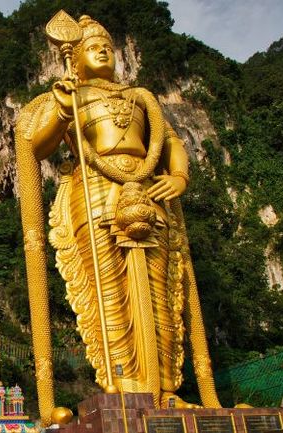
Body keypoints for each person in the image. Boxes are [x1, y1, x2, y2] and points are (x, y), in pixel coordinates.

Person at [15, 14, 220, 411]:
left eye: (108, 43)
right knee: (108, 291)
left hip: (149, 190)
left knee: (162, 289)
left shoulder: (140, 97)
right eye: (93, 45)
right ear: (74, 58)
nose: (103, 49)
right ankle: (125, 384)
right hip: (92, 191)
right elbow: (35, 148)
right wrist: (60, 108)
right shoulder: (68, 95)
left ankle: (166, 392)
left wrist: (179, 176)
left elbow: (172, 141)